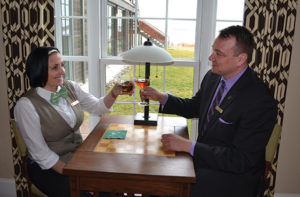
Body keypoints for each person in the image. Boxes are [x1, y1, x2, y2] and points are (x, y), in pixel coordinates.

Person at [140, 25, 277, 197]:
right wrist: (162, 97)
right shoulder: (213, 77)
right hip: (205, 160)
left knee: (163, 186)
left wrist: (189, 146)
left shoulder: (260, 100)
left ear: (241, 59)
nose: (211, 57)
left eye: (219, 54)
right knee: (155, 172)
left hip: (234, 178)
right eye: (213, 51)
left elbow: (241, 160)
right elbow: (194, 107)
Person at [13, 46, 134, 197]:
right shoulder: (26, 106)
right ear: (40, 70)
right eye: (55, 68)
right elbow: (41, 154)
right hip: (48, 168)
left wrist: (114, 93)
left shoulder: (70, 87)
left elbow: (97, 106)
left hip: (78, 158)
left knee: (114, 182)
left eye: (62, 65)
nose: (62, 71)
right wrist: (78, 176)